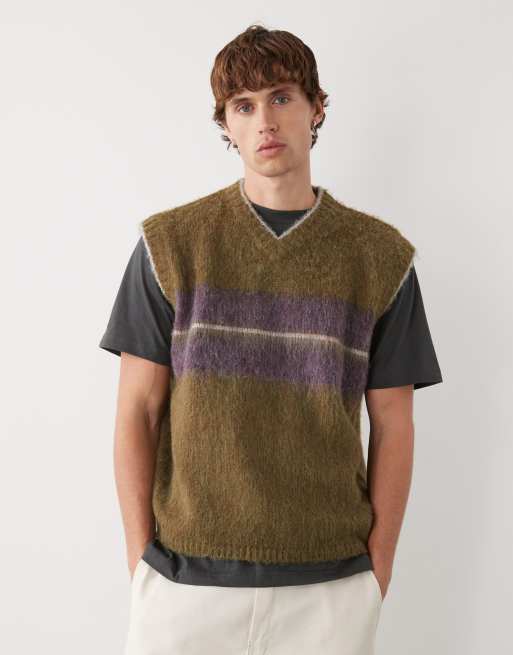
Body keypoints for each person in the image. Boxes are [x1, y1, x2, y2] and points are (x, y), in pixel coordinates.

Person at [99, 23, 442, 655]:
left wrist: (377, 574)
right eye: (244, 105)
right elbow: (137, 411)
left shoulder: (380, 257)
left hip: (330, 588)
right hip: (184, 584)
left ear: (316, 107)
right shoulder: (170, 246)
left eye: (282, 97)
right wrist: (141, 563)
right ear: (226, 125)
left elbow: (394, 424)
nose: (265, 121)